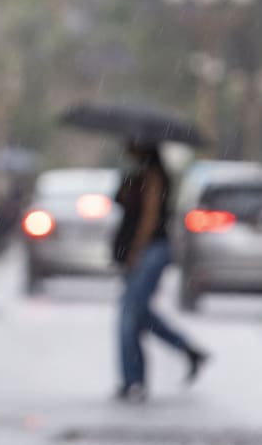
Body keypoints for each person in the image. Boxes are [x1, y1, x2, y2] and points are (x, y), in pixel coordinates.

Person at [112, 140, 209, 403]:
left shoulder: (155, 175)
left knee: (129, 315)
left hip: (150, 250)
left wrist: (136, 250)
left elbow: (150, 217)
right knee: (139, 313)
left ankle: (134, 381)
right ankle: (186, 350)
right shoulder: (138, 173)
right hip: (144, 251)